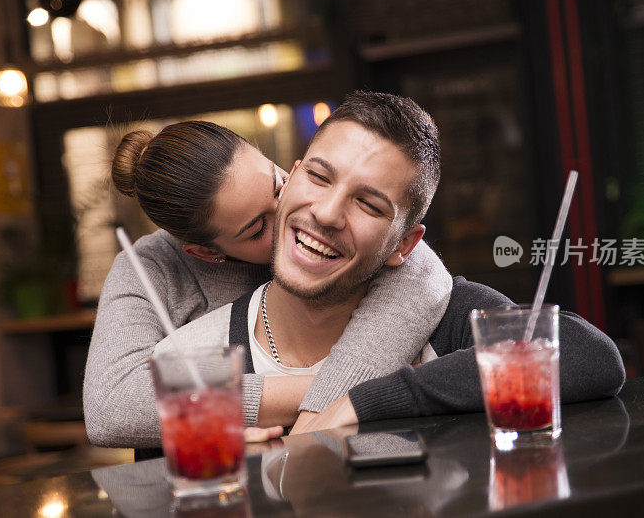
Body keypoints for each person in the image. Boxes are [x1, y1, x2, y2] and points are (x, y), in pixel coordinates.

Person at [155, 91, 626, 436]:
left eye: (369, 204)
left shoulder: (449, 322)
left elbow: (592, 357)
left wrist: (366, 401)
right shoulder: (191, 358)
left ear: (406, 244)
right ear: (289, 179)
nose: (326, 212)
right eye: (319, 177)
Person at [84, 120, 452, 449]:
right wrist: (345, 393)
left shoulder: (329, 209)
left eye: (278, 186)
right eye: (258, 228)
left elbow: (422, 271)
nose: (307, 219)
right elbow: (112, 404)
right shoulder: (150, 269)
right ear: (207, 253)